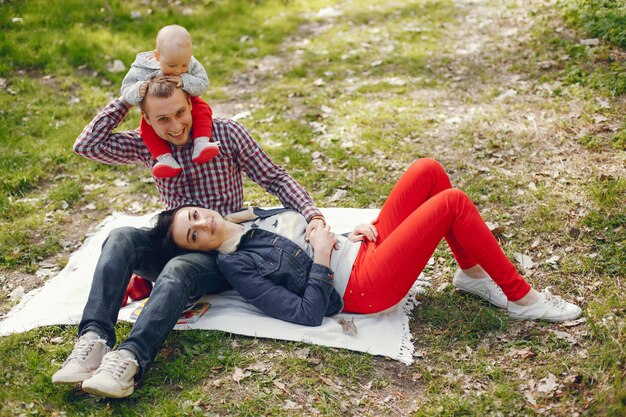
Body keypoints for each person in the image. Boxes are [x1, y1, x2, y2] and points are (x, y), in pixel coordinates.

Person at [51, 77, 326, 398]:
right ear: (148, 119)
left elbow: (274, 177)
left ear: (192, 102)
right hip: (174, 238)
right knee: (121, 235)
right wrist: (124, 101)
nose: (176, 125)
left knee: (181, 266)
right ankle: (94, 339)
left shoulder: (226, 134)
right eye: (163, 118)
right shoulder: (146, 142)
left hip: (218, 252)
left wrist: (313, 215)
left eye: (181, 112)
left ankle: (129, 359)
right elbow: (87, 146)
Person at [155, 158, 582, 327]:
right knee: (451, 203)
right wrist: (324, 254)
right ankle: (522, 298)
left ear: (198, 207)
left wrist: (343, 235)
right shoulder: (236, 266)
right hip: (360, 285)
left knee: (428, 172)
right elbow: (304, 313)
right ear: (197, 249)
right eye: (193, 236)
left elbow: (303, 234)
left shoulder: (248, 218)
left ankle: (470, 276)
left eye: (194, 216)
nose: (202, 225)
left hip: (360, 249)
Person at [121, 24, 218, 178]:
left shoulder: (189, 62)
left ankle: (201, 143)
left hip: (185, 99)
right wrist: (137, 89)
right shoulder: (141, 67)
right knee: (146, 129)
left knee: (203, 110)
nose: (178, 70)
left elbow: (203, 83)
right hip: (157, 109)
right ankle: (165, 159)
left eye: (184, 65)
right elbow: (126, 89)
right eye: (172, 65)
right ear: (157, 56)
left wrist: (185, 79)